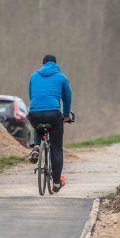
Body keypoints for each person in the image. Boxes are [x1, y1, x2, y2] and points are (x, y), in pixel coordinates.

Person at [27, 54, 73, 192]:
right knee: (56, 149)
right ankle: (57, 183)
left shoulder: (33, 76)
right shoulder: (61, 77)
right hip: (53, 113)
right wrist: (66, 115)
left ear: (42, 64)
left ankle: (36, 147)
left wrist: (36, 109)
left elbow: (32, 96)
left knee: (38, 126)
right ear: (55, 64)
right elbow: (67, 98)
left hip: (34, 112)